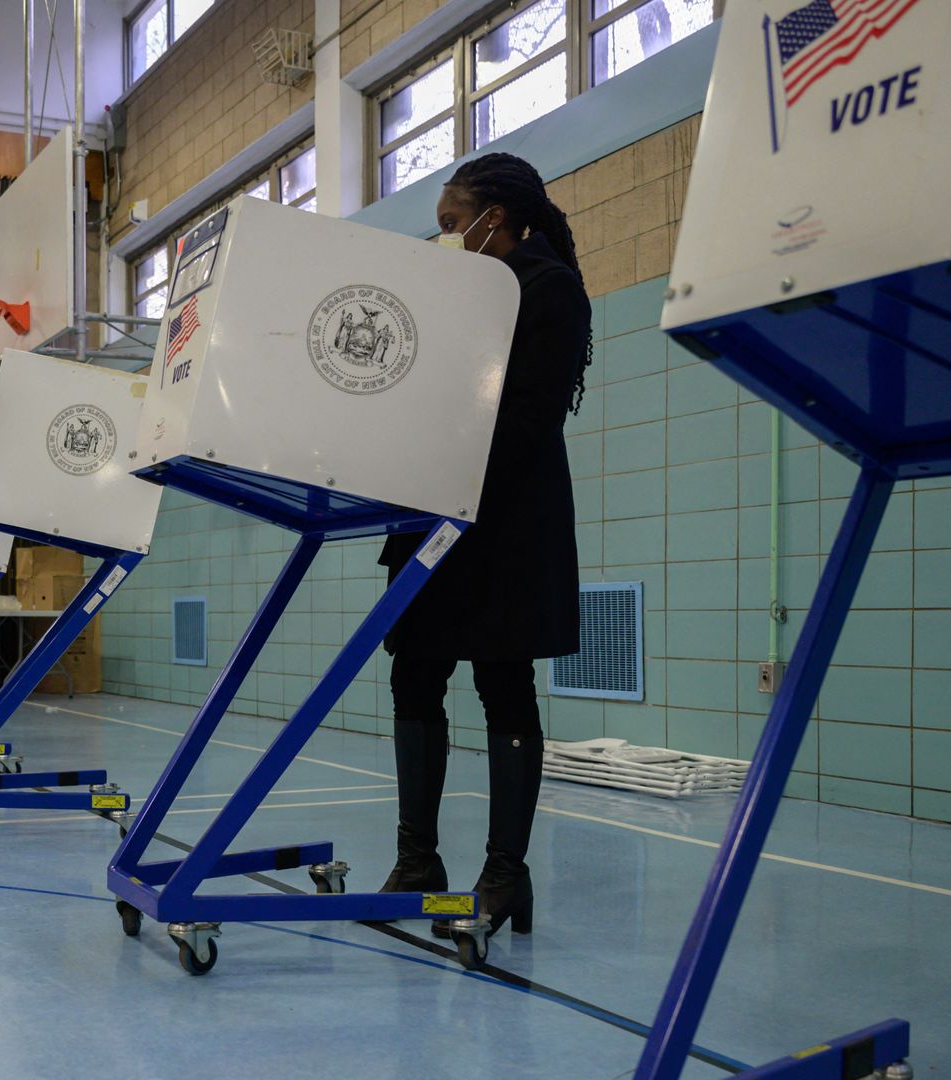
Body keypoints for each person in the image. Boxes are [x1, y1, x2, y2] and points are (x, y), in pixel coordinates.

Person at [377, 153, 593, 941]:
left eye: (449, 222)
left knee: (504, 685)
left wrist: (447, 472)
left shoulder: (548, 289)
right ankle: (417, 861)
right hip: (433, 512)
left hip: (504, 521)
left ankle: (505, 874)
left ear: (492, 218)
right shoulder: (453, 294)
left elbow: (530, 417)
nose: (444, 237)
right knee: (414, 676)